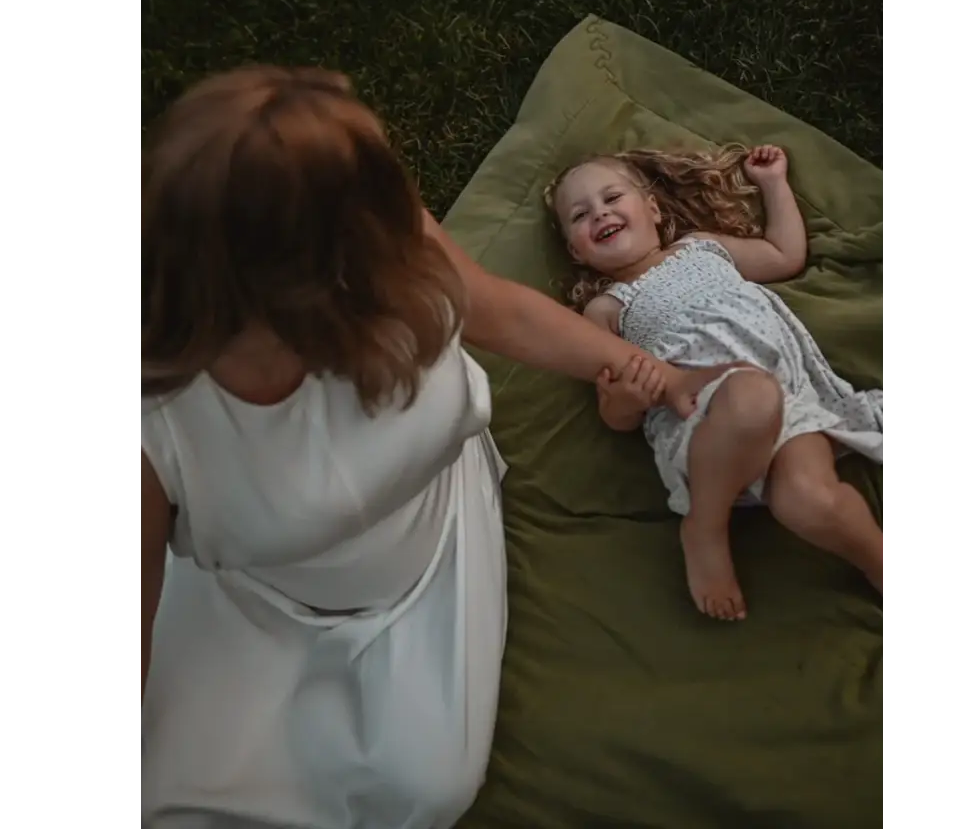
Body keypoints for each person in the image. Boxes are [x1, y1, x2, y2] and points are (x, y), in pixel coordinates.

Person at [135, 66, 739, 829]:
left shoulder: (378, 237)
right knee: (178, 796)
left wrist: (650, 370)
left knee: (422, 792)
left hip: (430, 559)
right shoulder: (158, 416)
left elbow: (501, 313)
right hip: (259, 602)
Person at [545, 143, 888, 622]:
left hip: (789, 405)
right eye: (581, 215)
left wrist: (772, 183)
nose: (600, 214)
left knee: (810, 499)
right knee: (750, 393)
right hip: (702, 427)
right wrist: (627, 398)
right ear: (575, 249)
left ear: (653, 208)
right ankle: (704, 529)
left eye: (612, 198)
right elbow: (613, 414)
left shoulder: (703, 248)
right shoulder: (607, 309)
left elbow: (783, 255)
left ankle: (879, 564)